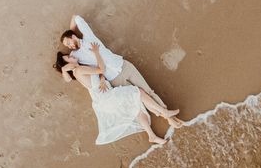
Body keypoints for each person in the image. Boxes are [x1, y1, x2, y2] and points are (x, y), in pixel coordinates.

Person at [54, 47, 182, 145]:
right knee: (138, 92)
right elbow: (101, 69)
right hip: (108, 97)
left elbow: (97, 75)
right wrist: (96, 52)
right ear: (67, 65)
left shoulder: (78, 71)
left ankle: (152, 136)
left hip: (105, 99)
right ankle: (164, 112)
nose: (71, 56)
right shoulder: (78, 70)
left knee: (136, 109)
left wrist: (102, 79)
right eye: (68, 58)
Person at [61, 15, 166, 107]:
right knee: (139, 98)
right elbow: (68, 79)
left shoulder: (88, 36)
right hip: (113, 78)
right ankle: (164, 113)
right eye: (67, 46)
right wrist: (64, 69)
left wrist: (71, 32)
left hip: (123, 65)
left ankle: (169, 116)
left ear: (73, 36)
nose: (69, 46)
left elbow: (75, 17)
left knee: (149, 91)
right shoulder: (75, 56)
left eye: (68, 43)